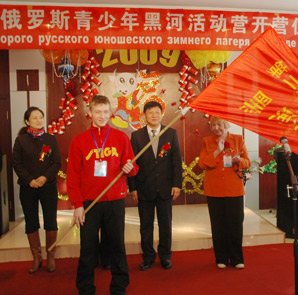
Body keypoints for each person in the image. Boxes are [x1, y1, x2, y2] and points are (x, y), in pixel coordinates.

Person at [67, 95, 138, 295]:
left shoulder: (121, 137)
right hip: (89, 204)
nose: (102, 116)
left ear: (110, 113)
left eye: (105, 112)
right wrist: (77, 204)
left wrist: (129, 167)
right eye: (97, 112)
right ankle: (85, 288)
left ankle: (119, 287)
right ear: (89, 113)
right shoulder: (78, 141)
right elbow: (73, 175)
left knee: (117, 246)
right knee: (88, 248)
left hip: (115, 201)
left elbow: (133, 169)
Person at [128, 101, 182, 271]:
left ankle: (165, 256)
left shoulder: (170, 133)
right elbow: (132, 164)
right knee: (146, 226)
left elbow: (176, 161)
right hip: (144, 189)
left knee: (166, 225)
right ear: (144, 115)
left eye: (157, 112)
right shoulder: (136, 136)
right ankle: (148, 257)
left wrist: (177, 185)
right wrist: (133, 188)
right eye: (150, 112)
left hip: (166, 188)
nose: (154, 115)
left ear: (161, 114)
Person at [12, 106, 61, 273]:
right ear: (27, 121)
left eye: (41, 117)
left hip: (47, 186)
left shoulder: (50, 139)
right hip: (28, 187)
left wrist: (45, 177)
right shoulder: (21, 140)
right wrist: (30, 180)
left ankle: (51, 257)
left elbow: (56, 163)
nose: (39, 120)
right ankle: (36, 257)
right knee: (31, 222)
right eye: (35, 118)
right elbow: (16, 164)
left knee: (51, 221)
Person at [198, 117, 250, 269]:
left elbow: (247, 162)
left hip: (234, 189)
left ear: (225, 125)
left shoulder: (238, 139)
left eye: (219, 124)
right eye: (213, 125)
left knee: (235, 224)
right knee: (218, 225)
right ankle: (221, 258)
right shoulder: (207, 141)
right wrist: (217, 151)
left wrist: (238, 160)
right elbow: (202, 164)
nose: (216, 128)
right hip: (214, 190)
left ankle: (236, 258)